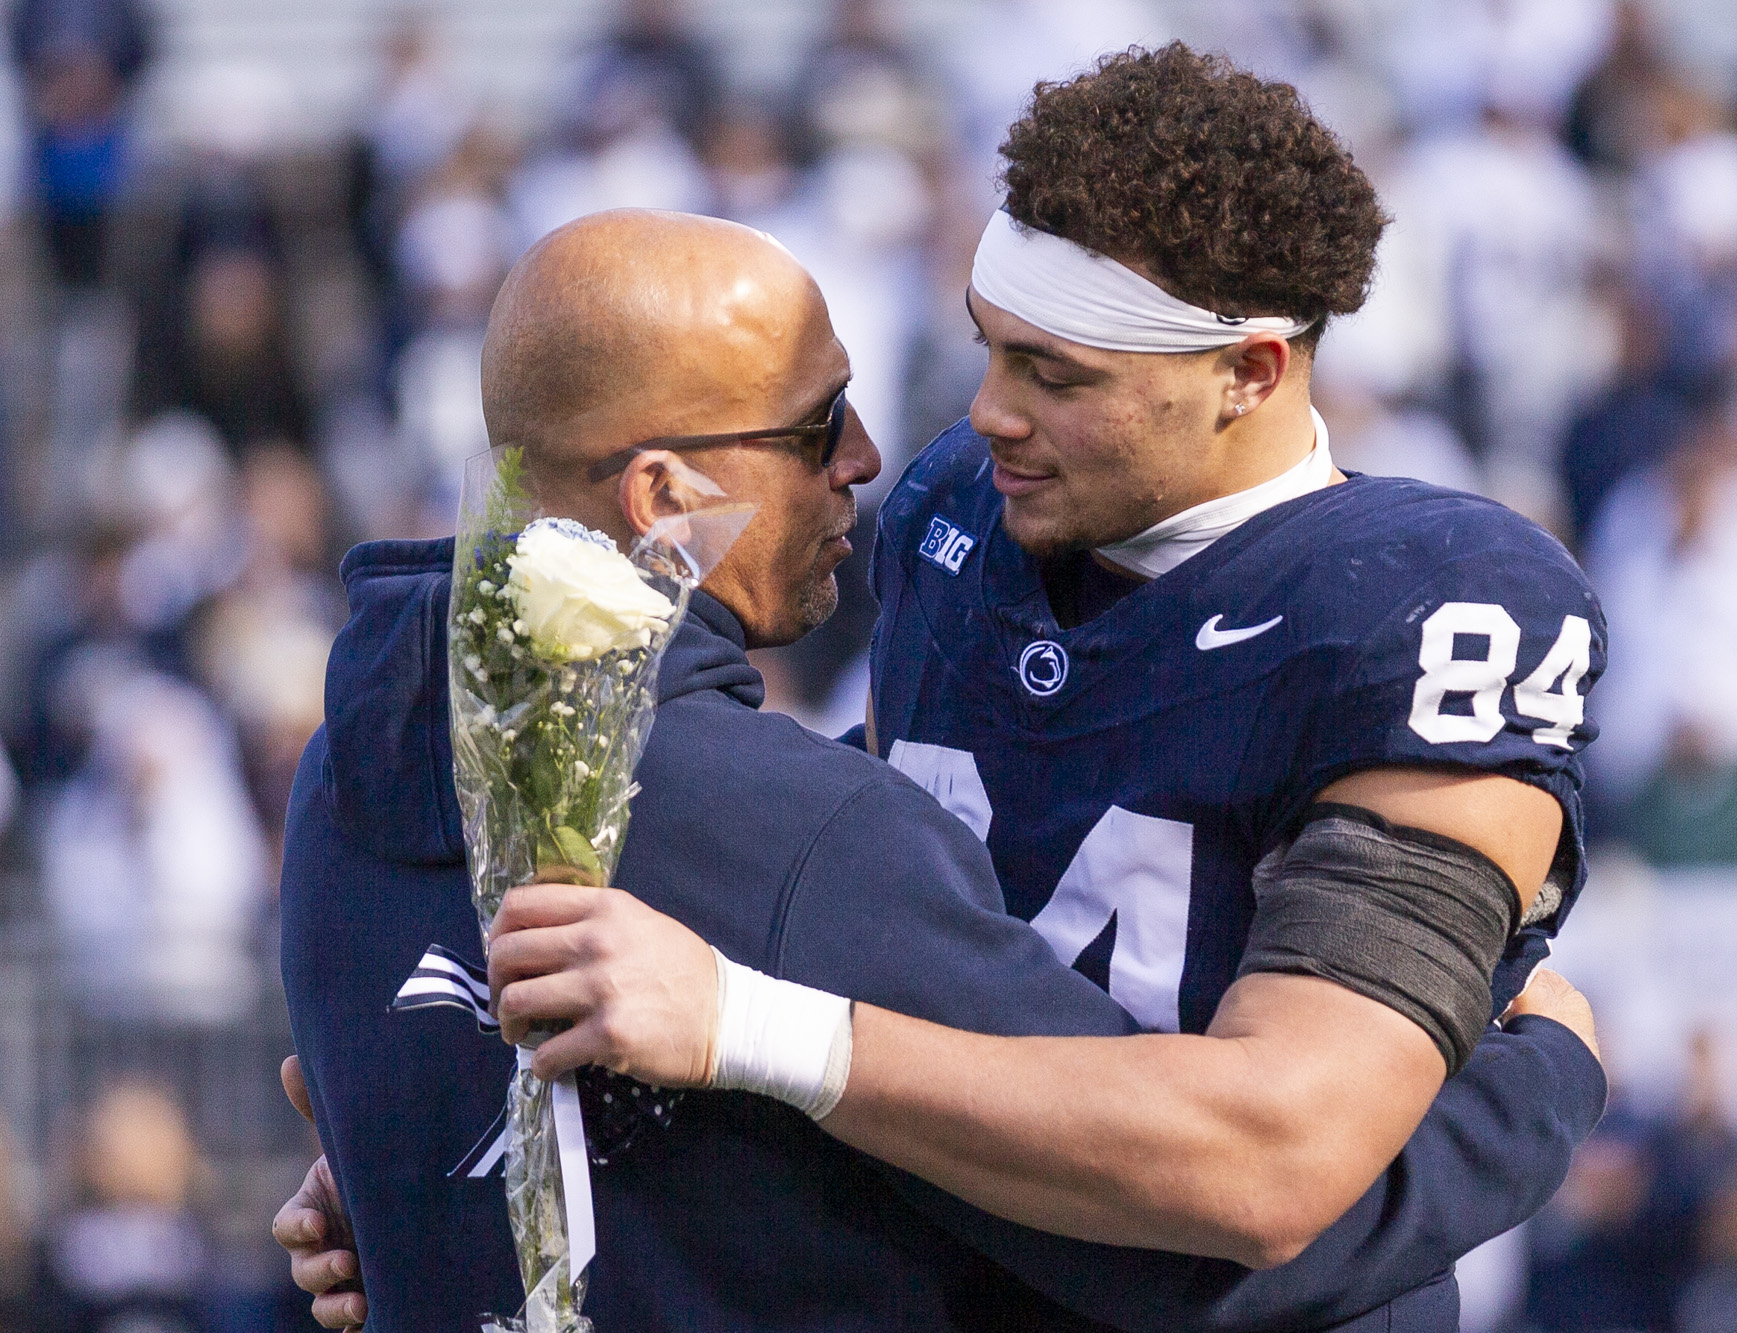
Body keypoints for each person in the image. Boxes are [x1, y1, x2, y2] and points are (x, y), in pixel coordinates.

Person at [276, 208, 1604, 1330]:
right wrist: (1533, 1084)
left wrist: (412, 1190)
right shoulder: (805, 838)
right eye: (814, 429)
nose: (869, 457)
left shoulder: (333, 783)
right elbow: (1206, 1226)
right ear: (664, 495)